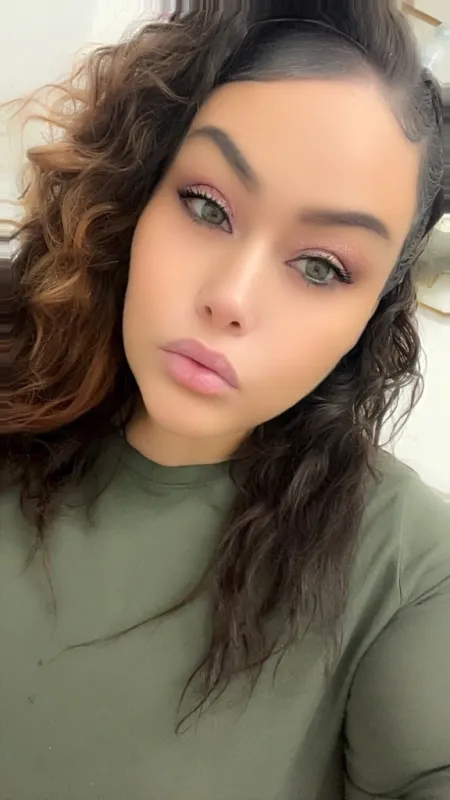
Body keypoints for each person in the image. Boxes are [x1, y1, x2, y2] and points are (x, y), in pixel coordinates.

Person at [2, 1, 449, 798]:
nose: (231, 298)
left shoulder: (408, 572)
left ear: (371, 315)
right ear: (138, 190)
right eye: (207, 206)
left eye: (321, 267)